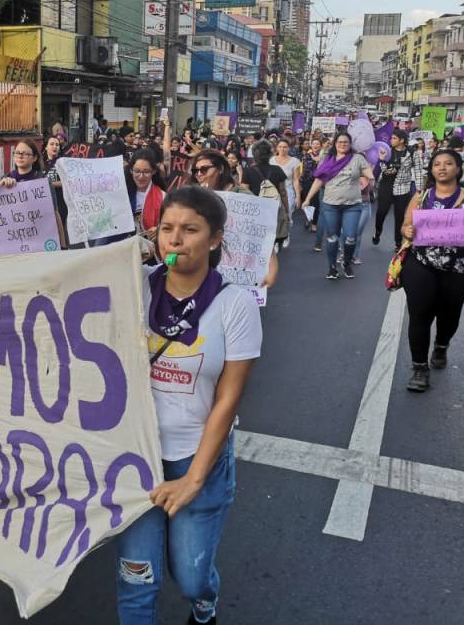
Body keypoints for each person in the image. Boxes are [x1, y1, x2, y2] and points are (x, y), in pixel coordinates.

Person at [118, 186, 260, 625]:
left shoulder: (235, 304)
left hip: (197, 461)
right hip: (136, 459)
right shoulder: (133, 287)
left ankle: (204, 605)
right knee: (136, 581)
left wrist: (193, 481)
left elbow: (228, 400)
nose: (174, 240)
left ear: (215, 238)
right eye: (166, 229)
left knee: (191, 577)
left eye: (190, 230)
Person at [400, 149, 464, 392]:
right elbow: (405, 225)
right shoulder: (421, 196)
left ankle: (442, 345)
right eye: (437, 164)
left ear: (457, 168)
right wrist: (407, 231)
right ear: (432, 170)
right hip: (421, 263)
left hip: (459, 269)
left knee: (449, 315)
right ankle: (419, 369)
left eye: (448, 164)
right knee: (420, 314)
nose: (442, 168)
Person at [301, 132, 374, 280]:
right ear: (335, 143)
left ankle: (346, 263)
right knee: (332, 237)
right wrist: (307, 198)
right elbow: (319, 181)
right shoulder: (328, 159)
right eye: (340, 142)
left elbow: (369, 174)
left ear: (350, 144)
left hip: (352, 205)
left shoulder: (357, 158)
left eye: (346, 142)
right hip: (330, 205)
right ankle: (332, 267)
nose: (343, 144)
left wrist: (370, 178)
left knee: (351, 237)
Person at [372, 129, 416, 247]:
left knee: (400, 216)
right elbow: (381, 169)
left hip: (403, 187)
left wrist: (420, 189)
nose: (391, 140)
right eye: (391, 138)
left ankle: (397, 242)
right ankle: (378, 231)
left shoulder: (411, 152)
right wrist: (382, 160)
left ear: (402, 140)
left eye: (394, 138)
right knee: (381, 212)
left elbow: (418, 169)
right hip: (386, 185)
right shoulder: (387, 151)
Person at [127, 148, 168, 235]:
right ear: (131, 170)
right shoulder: (123, 194)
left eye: (146, 172)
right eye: (137, 171)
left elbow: (171, 224)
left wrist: (160, 229)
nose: (141, 176)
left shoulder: (164, 197)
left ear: (153, 171)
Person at [269, 138, 302, 224]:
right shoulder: (271, 160)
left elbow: (296, 180)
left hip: (288, 193)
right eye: (280, 147)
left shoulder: (295, 161)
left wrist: (298, 196)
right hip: (272, 193)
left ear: (289, 148)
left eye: (285, 147)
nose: (282, 149)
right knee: (272, 219)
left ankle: (286, 237)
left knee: (286, 218)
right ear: (277, 148)